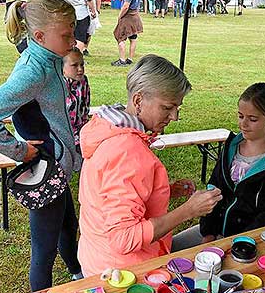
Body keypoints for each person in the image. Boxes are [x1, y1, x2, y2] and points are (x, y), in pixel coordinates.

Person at [77, 54, 223, 276]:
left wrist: (163, 191)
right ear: (138, 101)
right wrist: (188, 210)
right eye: (167, 107)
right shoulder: (127, 150)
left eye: (177, 108)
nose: (174, 116)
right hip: (125, 275)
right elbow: (123, 238)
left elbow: (110, 195)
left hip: (97, 258)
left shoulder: (108, 127)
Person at [0, 0, 83, 290]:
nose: (74, 41)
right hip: (45, 170)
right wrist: (20, 150)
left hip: (58, 165)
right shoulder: (33, 71)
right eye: (67, 34)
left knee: (67, 226)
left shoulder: (47, 56)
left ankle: (78, 272)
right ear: (39, 35)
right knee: (44, 250)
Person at [172, 83, 265, 251]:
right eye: (240, 116)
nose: (243, 124)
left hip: (246, 245)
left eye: (252, 119)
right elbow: (213, 189)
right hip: (211, 233)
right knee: (168, 250)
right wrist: (208, 233)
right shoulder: (231, 147)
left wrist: (233, 246)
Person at [63, 48, 91, 152]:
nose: (80, 69)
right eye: (74, 65)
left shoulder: (83, 81)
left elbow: (85, 108)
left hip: (81, 130)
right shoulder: (58, 85)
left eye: (82, 65)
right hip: (62, 133)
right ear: (62, 68)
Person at [111, 0, 143, 66]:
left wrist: (120, 15)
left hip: (128, 16)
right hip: (135, 15)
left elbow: (126, 6)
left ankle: (122, 60)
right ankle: (130, 59)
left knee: (120, 37)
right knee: (133, 38)